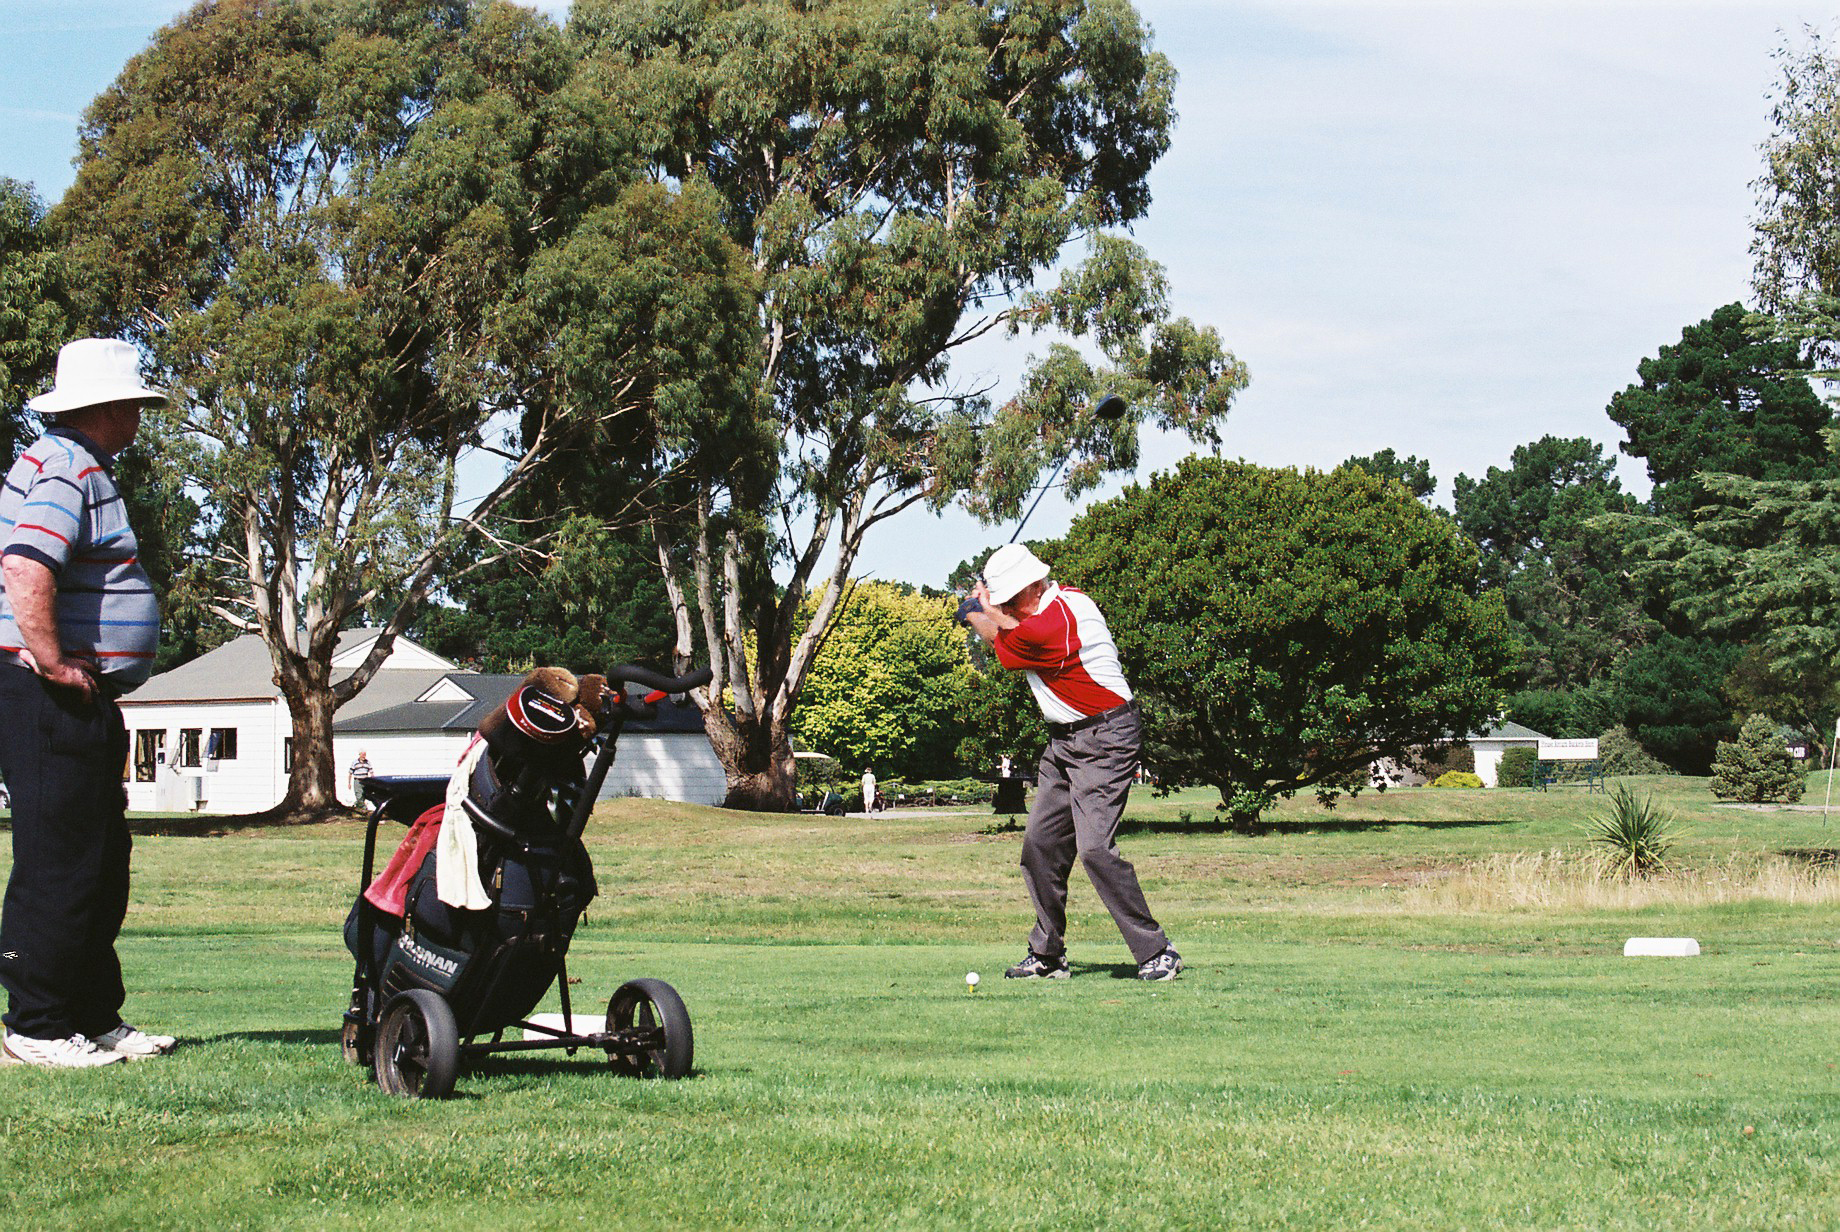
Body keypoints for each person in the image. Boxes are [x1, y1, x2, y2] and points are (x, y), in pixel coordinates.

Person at [0, 338, 175, 1067]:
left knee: (99, 862)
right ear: (107, 406)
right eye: (133, 402)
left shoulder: (74, 464)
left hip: (79, 693)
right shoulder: (67, 465)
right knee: (60, 861)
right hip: (49, 691)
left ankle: (92, 1015)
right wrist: (50, 660)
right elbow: (25, 565)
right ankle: (37, 1026)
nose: (138, 414)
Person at [961, 543, 1182, 982]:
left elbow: (1005, 644)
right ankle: (1047, 955)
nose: (1006, 608)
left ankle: (1157, 951)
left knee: (1095, 849)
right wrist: (987, 608)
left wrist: (974, 611)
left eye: (1009, 600)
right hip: (1064, 740)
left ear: (1032, 588)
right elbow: (1011, 628)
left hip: (1106, 737)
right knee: (1040, 845)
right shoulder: (1047, 610)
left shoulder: (1058, 619)